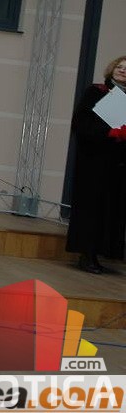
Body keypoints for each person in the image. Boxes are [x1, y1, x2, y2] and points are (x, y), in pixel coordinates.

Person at [66, 55, 126, 274]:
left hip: (118, 165)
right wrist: (108, 132)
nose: (123, 70)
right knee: (92, 210)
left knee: (112, 211)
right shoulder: (96, 91)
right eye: (120, 66)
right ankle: (87, 255)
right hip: (94, 162)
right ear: (112, 69)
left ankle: (103, 253)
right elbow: (80, 123)